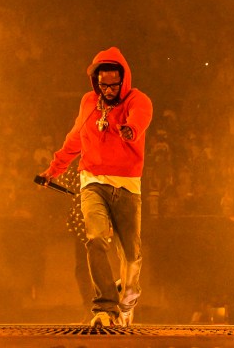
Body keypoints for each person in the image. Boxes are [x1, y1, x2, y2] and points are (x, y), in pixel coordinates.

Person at [40, 47, 153, 328]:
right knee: (96, 238)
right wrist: (53, 171)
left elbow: (140, 117)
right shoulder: (89, 103)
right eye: (104, 84)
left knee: (131, 255)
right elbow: (75, 139)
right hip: (92, 182)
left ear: (123, 80)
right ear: (96, 82)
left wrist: (131, 129)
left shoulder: (138, 100)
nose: (109, 89)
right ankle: (104, 306)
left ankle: (126, 300)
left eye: (114, 84)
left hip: (127, 186)